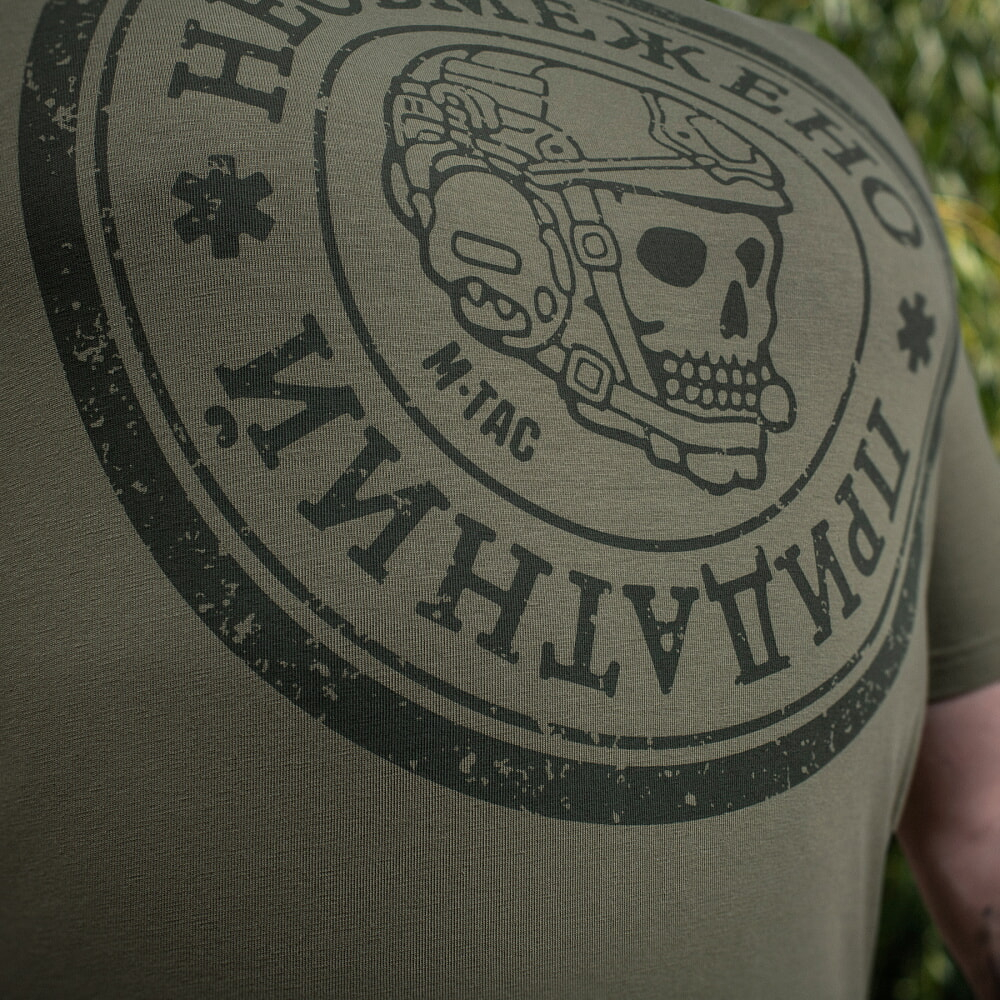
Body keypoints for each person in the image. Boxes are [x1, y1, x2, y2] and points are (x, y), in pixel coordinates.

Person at [2, 0, 998, 996]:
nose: (739, 318)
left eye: (752, 265)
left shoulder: (841, 112)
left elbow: (981, 817)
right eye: (679, 257)